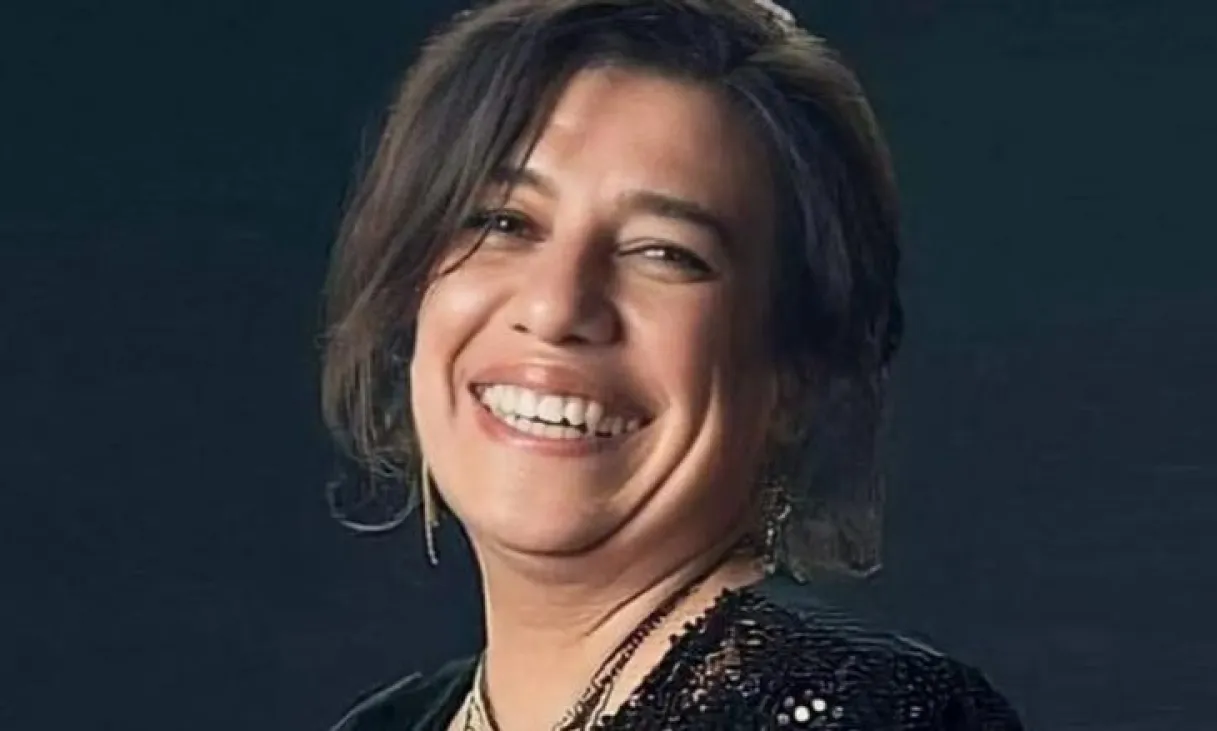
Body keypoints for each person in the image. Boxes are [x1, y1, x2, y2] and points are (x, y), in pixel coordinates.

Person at [319, 0, 1023, 728]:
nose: (556, 307)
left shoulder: (869, 715)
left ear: (796, 371)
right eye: (504, 222)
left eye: (664, 252)